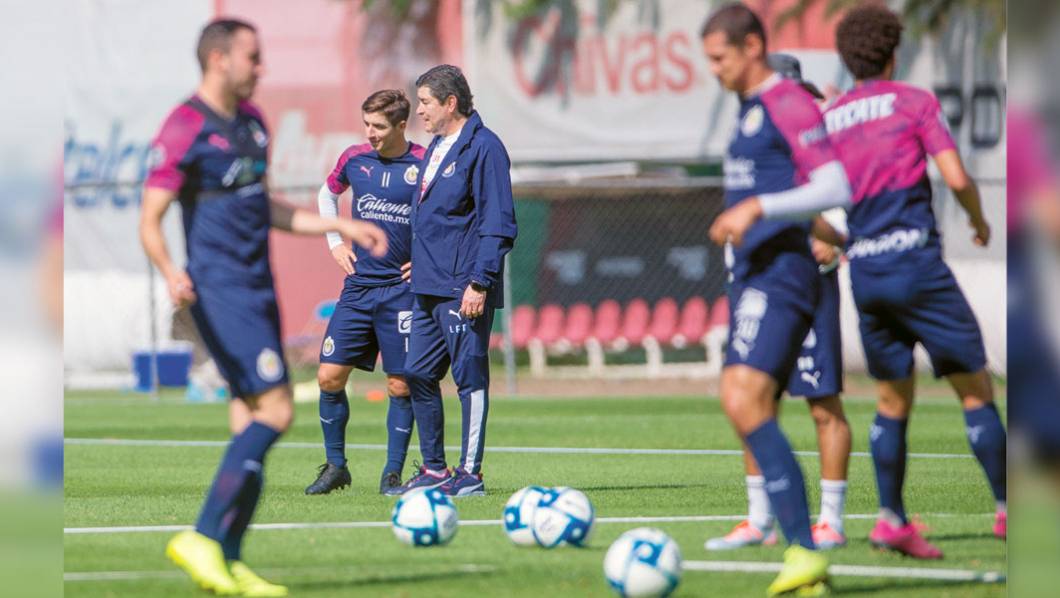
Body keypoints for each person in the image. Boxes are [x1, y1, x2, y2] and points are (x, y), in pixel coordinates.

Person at [713, 3, 1006, 561]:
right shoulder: (913, 102)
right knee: (975, 390)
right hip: (915, 262)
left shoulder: (833, 116)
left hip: (865, 275)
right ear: (895, 52)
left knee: (891, 401)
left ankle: (889, 519)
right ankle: (1008, 510)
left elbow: (819, 195)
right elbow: (956, 176)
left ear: (846, 60)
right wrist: (978, 219)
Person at [139, 18, 387, 596]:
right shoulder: (184, 126)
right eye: (252, 57)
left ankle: (228, 560)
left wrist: (341, 225)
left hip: (259, 287)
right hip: (220, 290)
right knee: (276, 412)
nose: (261, 67)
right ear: (219, 59)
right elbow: (150, 219)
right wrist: (171, 271)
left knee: (247, 420)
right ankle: (202, 536)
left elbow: (264, 207)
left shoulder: (252, 123)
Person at [700, 4, 852, 595]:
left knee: (745, 397)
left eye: (720, 58)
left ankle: (805, 545)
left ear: (752, 47)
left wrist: (757, 208)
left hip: (784, 272)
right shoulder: (749, 108)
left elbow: (836, 184)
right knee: (744, 401)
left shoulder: (788, 101)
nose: (714, 69)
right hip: (753, 273)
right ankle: (797, 550)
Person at [396, 64, 517, 497]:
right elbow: (438, 219)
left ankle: (470, 474)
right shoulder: (435, 146)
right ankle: (434, 470)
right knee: (417, 372)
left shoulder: (484, 147)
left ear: (451, 103)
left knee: (469, 377)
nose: (419, 110)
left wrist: (480, 282)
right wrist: (422, 261)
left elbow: (497, 223)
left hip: (463, 287)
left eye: (426, 102)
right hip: (427, 285)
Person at [305, 89, 426, 496]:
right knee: (328, 377)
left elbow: (450, 215)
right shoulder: (355, 159)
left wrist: (427, 261)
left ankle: (392, 474)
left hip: (402, 292)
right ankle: (336, 467)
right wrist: (334, 243)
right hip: (358, 288)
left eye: (379, 126)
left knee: (400, 385)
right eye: (367, 124)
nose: (370, 133)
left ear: (401, 125)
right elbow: (326, 194)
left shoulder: (424, 163)